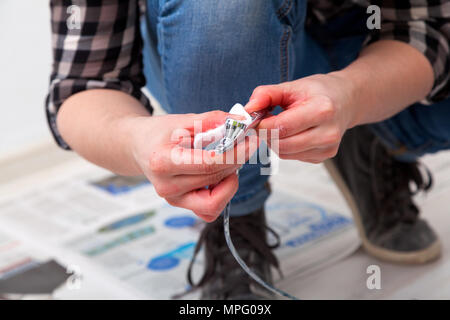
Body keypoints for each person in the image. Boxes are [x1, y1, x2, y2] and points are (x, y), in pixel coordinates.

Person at [47, 0, 449, 299]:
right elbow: (83, 85)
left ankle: (368, 137)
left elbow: (429, 30)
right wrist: (136, 141)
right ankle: (235, 221)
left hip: (361, 50)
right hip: (206, 38)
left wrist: (351, 98)